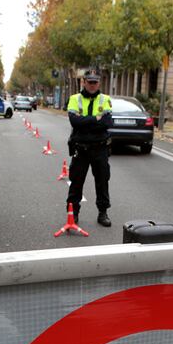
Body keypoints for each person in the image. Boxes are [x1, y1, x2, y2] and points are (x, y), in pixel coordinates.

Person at [66, 68, 113, 227]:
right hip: (81, 148)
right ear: (84, 83)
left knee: (102, 181)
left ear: (99, 83)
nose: (93, 85)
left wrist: (85, 120)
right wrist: (96, 119)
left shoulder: (105, 99)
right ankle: (74, 214)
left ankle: (103, 213)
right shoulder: (74, 98)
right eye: (90, 82)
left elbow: (107, 123)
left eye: (95, 82)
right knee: (76, 182)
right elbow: (74, 122)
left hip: (100, 148)